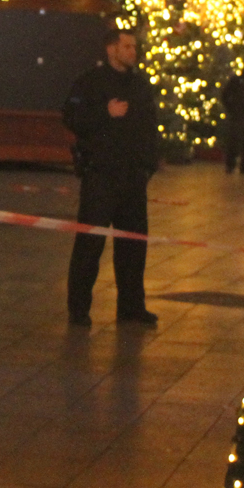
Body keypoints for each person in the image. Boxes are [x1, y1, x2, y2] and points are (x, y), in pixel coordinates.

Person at [60, 26, 162, 327]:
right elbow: (72, 119)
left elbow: (149, 126)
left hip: (133, 178)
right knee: (90, 244)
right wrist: (105, 112)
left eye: (134, 47)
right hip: (100, 176)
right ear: (112, 49)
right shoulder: (89, 83)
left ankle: (131, 306)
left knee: (133, 245)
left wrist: (147, 166)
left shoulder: (140, 86)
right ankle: (79, 308)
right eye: (128, 46)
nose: (134, 52)